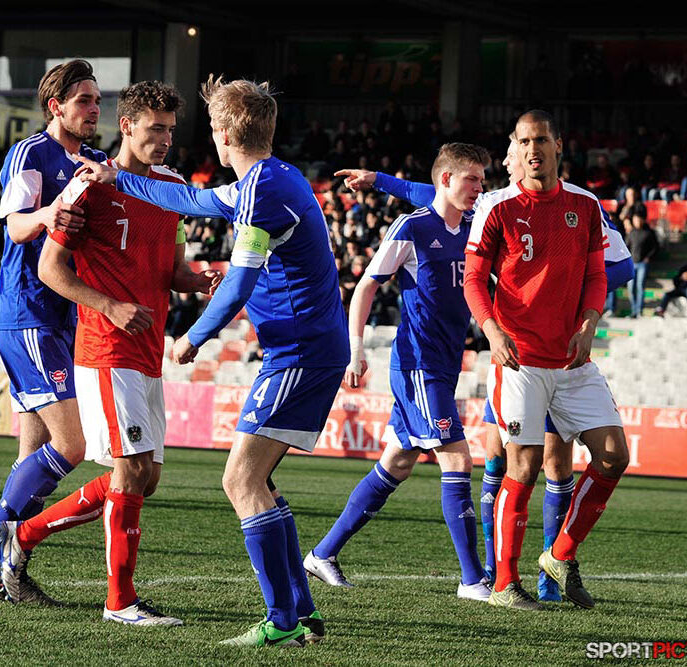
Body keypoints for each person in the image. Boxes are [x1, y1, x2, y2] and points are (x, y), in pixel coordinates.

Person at [78, 74, 349, 648]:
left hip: (300, 352)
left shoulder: (262, 191)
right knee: (261, 483)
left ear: (223, 133)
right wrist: (119, 177)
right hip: (306, 348)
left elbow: (239, 285)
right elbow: (194, 200)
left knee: (240, 479)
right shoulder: (274, 178)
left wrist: (191, 337)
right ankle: (302, 613)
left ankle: (282, 622)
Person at [0, 80, 219, 626]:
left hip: (148, 350)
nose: (165, 140)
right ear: (127, 125)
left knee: (144, 478)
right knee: (128, 471)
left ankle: (20, 535)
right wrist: (111, 307)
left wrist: (202, 279)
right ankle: (120, 601)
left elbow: (171, 270)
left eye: (170, 129)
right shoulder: (85, 188)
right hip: (104, 345)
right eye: (155, 129)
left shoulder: (172, 189)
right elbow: (51, 269)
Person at [304, 144, 493, 602]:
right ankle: (472, 580)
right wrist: (356, 349)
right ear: (446, 180)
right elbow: (366, 286)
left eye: (482, 179)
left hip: (447, 364)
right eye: (472, 178)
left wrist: (378, 177)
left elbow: (422, 187)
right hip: (417, 366)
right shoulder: (413, 227)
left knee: (398, 462)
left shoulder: (473, 227)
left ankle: (322, 554)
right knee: (458, 459)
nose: (480, 187)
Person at [463, 110, 629, 611]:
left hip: (573, 361)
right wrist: (491, 331)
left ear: (559, 145)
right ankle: (502, 586)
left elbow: (598, 274)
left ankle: (559, 554)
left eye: (541, 141)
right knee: (526, 464)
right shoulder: (497, 205)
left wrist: (590, 321)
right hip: (520, 361)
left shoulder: (585, 204)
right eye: (524, 141)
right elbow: (474, 279)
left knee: (613, 456)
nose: (533, 150)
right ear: (516, 147)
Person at [0, 59, 106, 604]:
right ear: (57, 106)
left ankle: (10, 571)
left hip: (63, 314)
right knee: (71, 444)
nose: (95, 110)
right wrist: (48, 213)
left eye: (97, 101)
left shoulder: (93, 161)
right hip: (29, 314)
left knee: (34, 453)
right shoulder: (31, 154)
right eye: (85, 100)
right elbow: (15, 224)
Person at [625, 206, 659, 318]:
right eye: (635, 219)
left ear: (643, 220)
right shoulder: (631, 233)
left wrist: (648, 258)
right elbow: (626, 247)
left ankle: (639, 311)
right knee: (631, 289)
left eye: (639, 219)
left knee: (640, 287)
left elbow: (655, 248)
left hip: (642, 264)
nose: (637, 221)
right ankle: (633, 311)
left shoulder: (649, 233)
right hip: (631, 264)